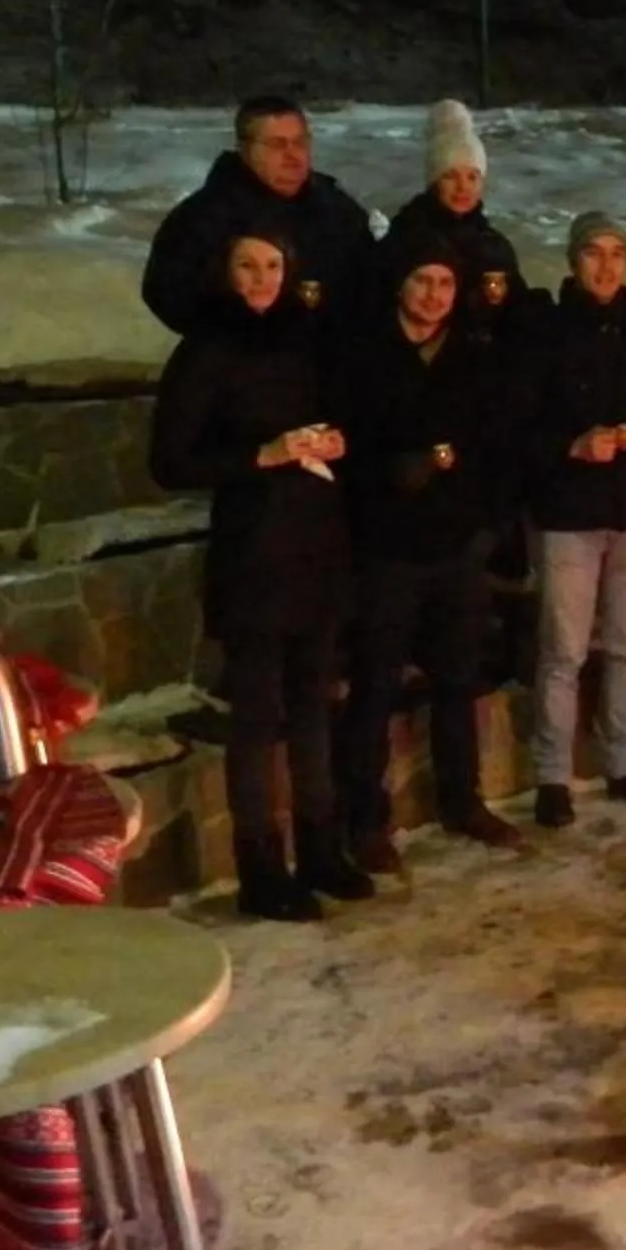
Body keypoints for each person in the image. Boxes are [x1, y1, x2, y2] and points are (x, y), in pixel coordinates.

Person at [148, 231, 369, 920]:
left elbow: (346, 413)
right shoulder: (206, 349)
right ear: (225, 271)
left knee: (314, 705)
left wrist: (335, 440)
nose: (262, 278)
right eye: (247, 265)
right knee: (256, 719)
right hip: (253, 554)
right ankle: (262, 868)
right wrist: (260, 456)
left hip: (317, 544)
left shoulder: (308, 337)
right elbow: (169, 461)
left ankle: (322, 848)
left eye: (273, 265)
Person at [334, 231, 525, 861]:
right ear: (400, 284)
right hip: (385, 548)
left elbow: (496, 446)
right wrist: (393, 472)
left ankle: (461, 799)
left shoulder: (474, 356)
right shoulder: (365, 355)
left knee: (457, 679)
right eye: (422, 280)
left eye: (445, 282)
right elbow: (347, 446)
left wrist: (483, 523)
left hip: (455, 545)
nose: (434, 294)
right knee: (374, 683)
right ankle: (366, 819)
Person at [521, 212, 626, 823]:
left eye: (618, 253)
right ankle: (551, 776)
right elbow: (517, 426)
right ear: (573, 261)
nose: (607, 265)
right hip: (569, 515)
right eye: (594, 252)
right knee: (562, 652)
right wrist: (574, 445)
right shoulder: (545, 335)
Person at [142, 95, 377, 338]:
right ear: (244, 150)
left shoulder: (335, 206)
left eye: (300, 142)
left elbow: (372, 277)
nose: (293, 156)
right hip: (237, 351)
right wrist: (248, 327)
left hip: (331, 350)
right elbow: (165, 292)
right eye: (277, 145)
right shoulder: (205, 215)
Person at [381, 99, 538, 340]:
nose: (463, 187)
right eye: (450, 176)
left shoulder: (494, 246)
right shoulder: (405, 239)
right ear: (434, 181)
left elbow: (517, 316)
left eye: (472, 177)